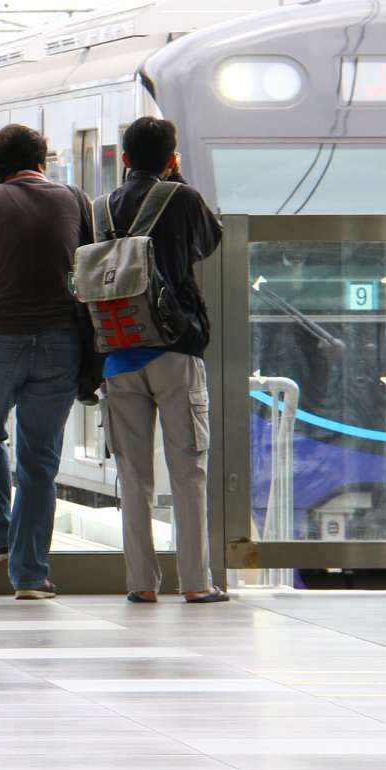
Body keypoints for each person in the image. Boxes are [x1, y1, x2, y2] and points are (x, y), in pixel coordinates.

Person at [0, 124, 90, 600]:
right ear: (41, 160)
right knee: (39, 461)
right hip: (61, 341)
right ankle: (31, 575)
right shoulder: (74, 199)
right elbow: (88, 267)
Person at [100, 115, 227, 605]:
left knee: (133, 477)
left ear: (124, 159)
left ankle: (141, 584)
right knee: (188, 469)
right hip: (176, 350)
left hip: (119, 353)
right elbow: (209, 242)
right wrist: (177, 179)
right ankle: (195, 582)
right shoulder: (184, 198)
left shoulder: (100, 207)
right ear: (172, 158)